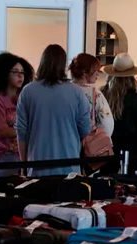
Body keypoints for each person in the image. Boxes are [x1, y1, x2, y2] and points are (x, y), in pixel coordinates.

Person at [15, 44, 91, 177]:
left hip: (37, 166)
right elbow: (85, 129)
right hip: (70, 166)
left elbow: (21, 133)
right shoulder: (76, 92)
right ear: (63, 65)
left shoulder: (27, 91)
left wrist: (24, 166)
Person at [0, 52, 34, 184]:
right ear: (4, 74)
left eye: (22, 72)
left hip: (24, 153)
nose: (20, 76)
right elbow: (0, 131)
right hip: (4, 155)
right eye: (15, 72)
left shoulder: (24, 98)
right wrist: (26, 129)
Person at [101, 53, 137, 174]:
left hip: (107, 143)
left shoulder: (103, 93)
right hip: (131, 144)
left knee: (107, 178)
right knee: (131, 179)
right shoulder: (133, 97)